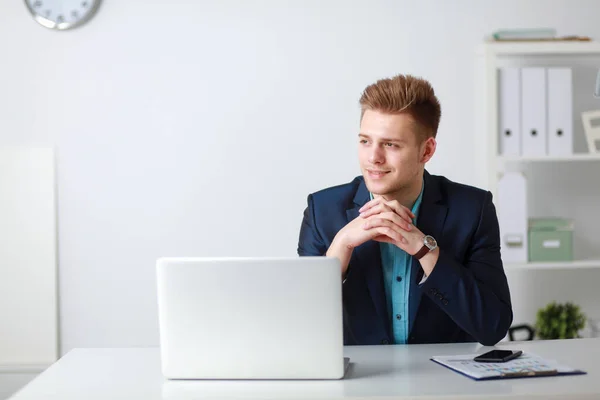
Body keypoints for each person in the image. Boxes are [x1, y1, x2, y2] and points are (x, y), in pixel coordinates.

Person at [297, 74, 512, 346]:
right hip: (357, 382)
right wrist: (340, 247)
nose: (373, 157)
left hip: (442, 379)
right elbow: (299, 329)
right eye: (365, 141)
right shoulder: (323, 211)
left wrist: (425, 250)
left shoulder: (472, 210)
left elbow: (493, 327)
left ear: (427, 150)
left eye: (390, 144)